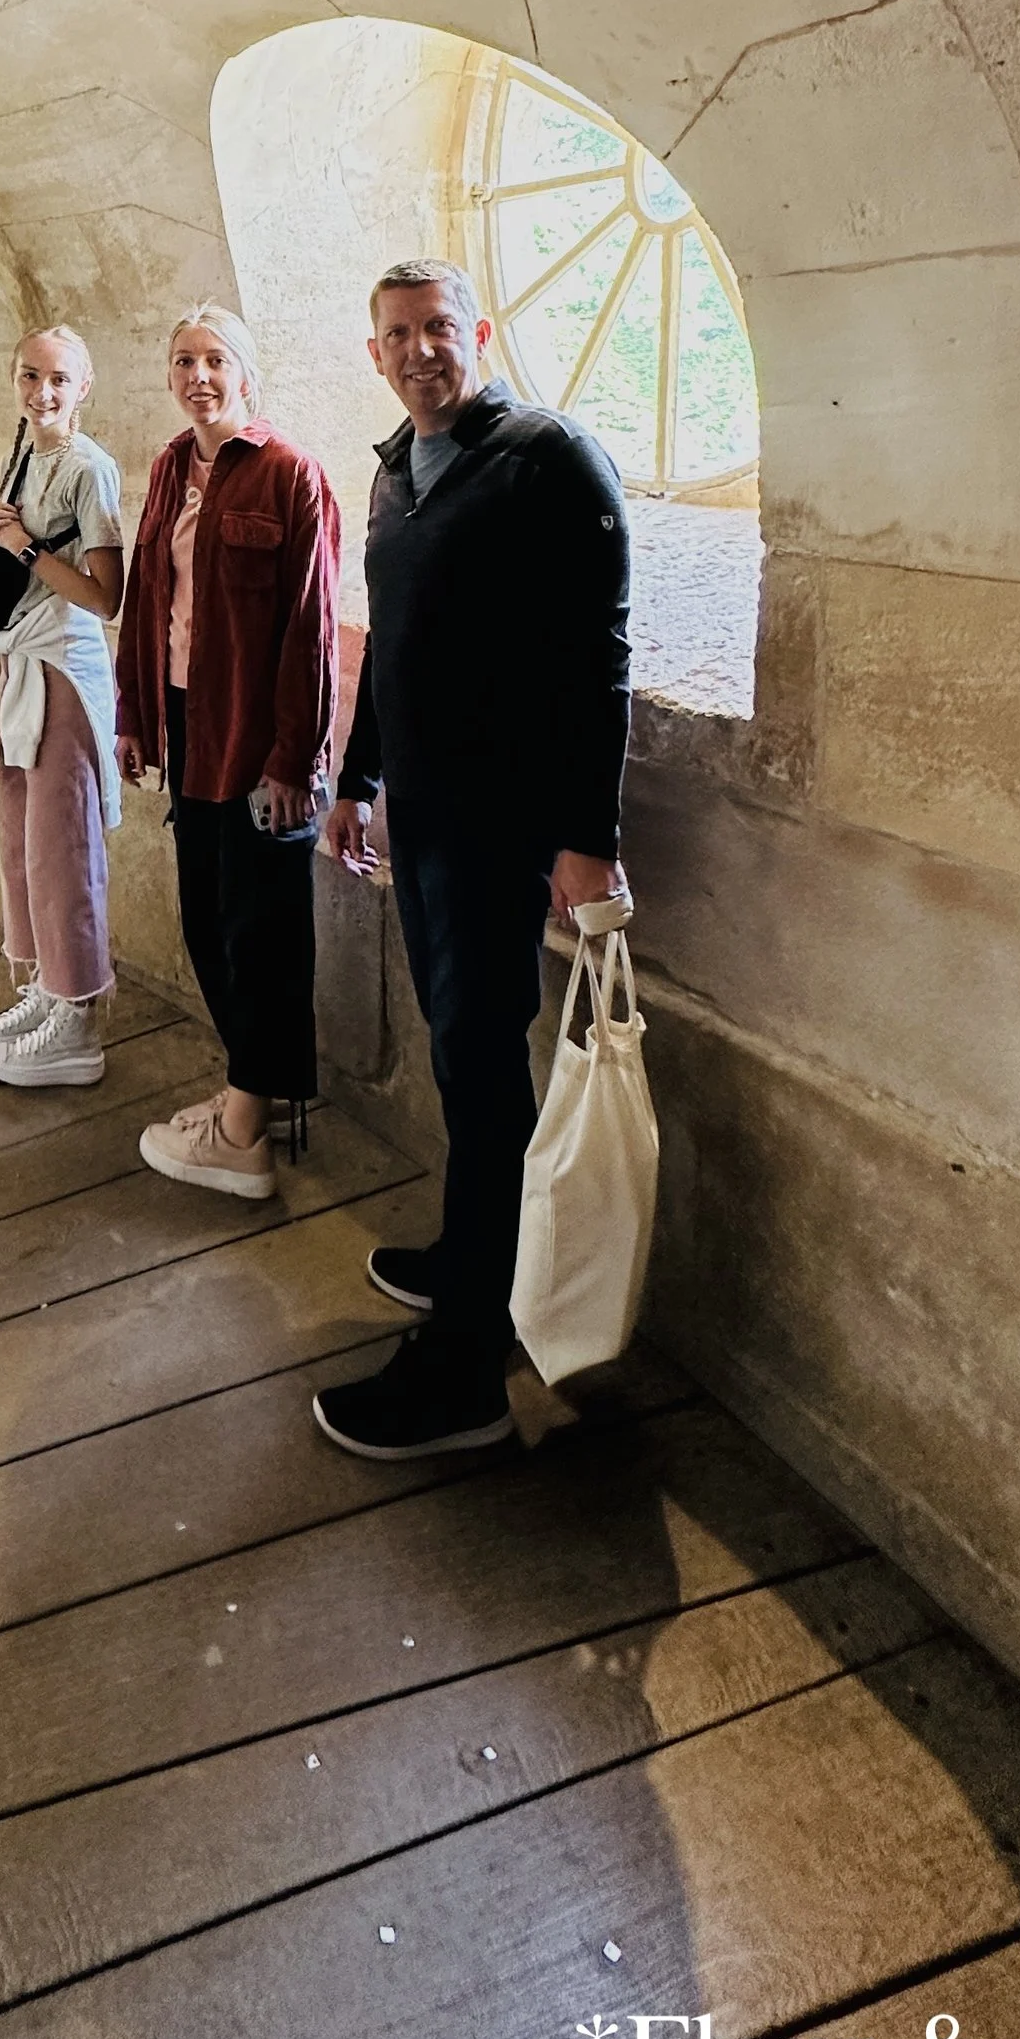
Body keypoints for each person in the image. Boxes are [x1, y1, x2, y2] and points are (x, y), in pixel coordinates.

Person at [314, 258, 632, 1461]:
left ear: (476, 332)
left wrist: (586, 841)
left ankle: (464, 1372)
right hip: (424, 824)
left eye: (437, 327)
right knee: (459, 1052)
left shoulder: (546, 460)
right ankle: (469, 1257)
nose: (417, 350)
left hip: (504, 828)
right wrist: (357, 779)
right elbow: (393, 643)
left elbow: (596, 660)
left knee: (484, 1059)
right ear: (375, 352)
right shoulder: (397, 467)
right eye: (395, 333)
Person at [115, 304, 339, 1198]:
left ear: (246, 374)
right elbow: (147, 603)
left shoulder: (290, 474)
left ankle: (245, 1130)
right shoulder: (172, 468)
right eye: (183, 361)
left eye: (214, 360)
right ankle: (249, 1095)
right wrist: (137, 715)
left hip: (257, 737)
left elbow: (310, 629)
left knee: (262, 934)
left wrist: (295, 760)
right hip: (186, 720)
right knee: (208, 924)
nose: (198, 376)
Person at [0, 326, 127, 1087]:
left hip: (60, 663)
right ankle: (43, 986)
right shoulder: (24, 449)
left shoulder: (90, 468)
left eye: (59, 379)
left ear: (84, 385)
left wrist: (24, 547)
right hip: (15, 659)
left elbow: (106, 597)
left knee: (62, 841)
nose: (43, 393)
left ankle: (79, 1015)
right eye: (30, 375)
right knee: (20, 831)